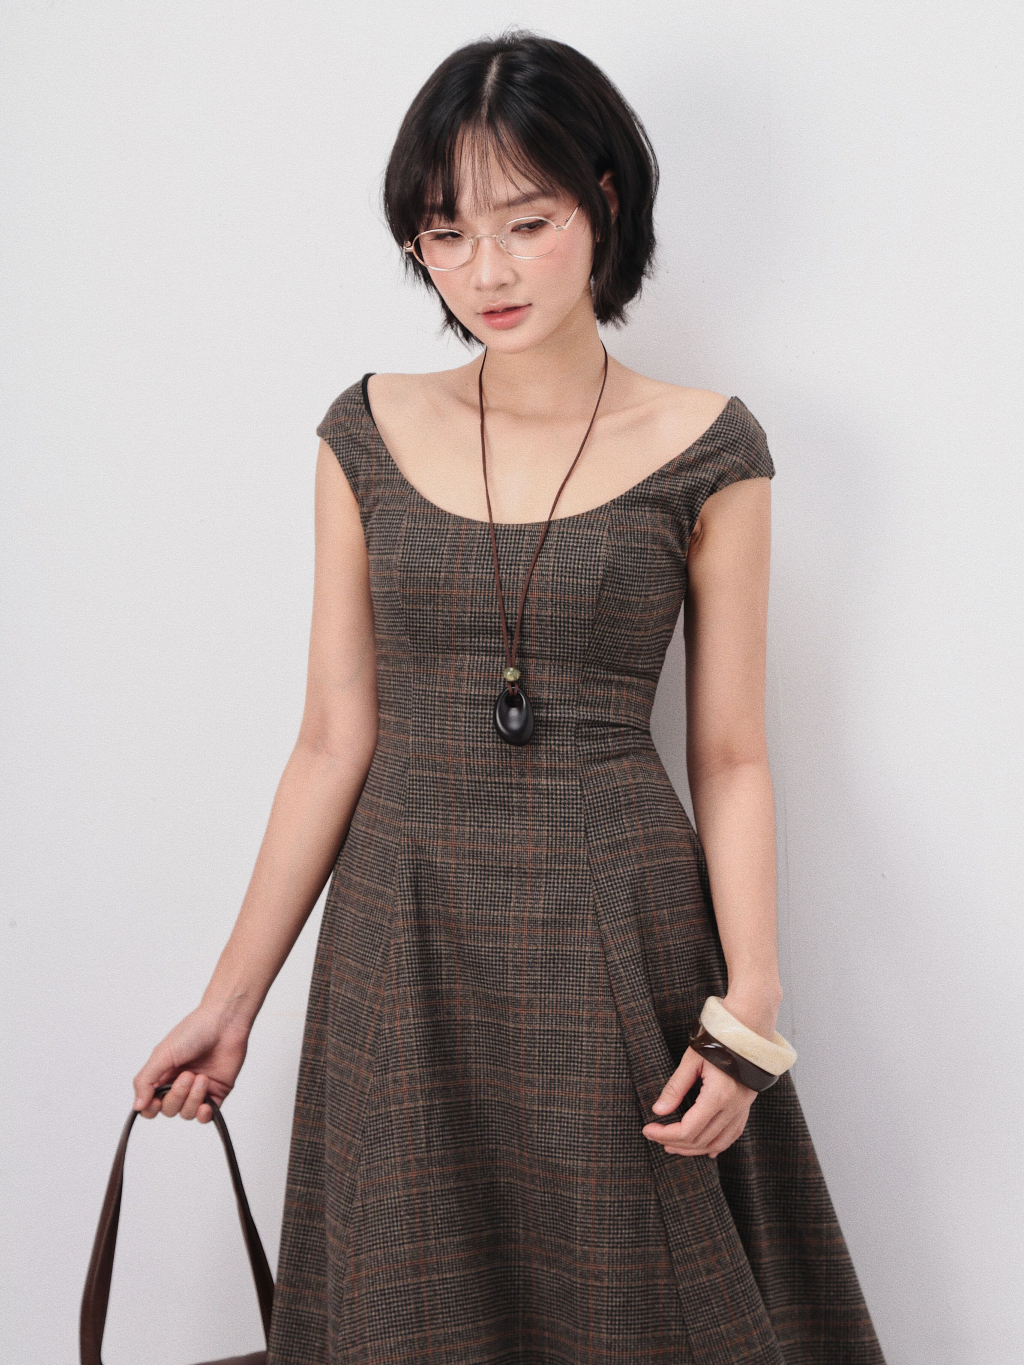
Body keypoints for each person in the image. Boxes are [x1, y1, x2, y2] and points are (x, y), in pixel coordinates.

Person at [133, 30, 886, 1365]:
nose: (485, 270)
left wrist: (753, 1003)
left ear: (604, 203)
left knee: (637, 1305)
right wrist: (230, 1000)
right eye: (445, 233)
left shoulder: (711, 447)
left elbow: (729, 754)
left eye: (526, 223)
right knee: (410, 1306)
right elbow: (333, 737)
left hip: (616, 933)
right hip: (401, 940)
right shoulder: (366, 429)